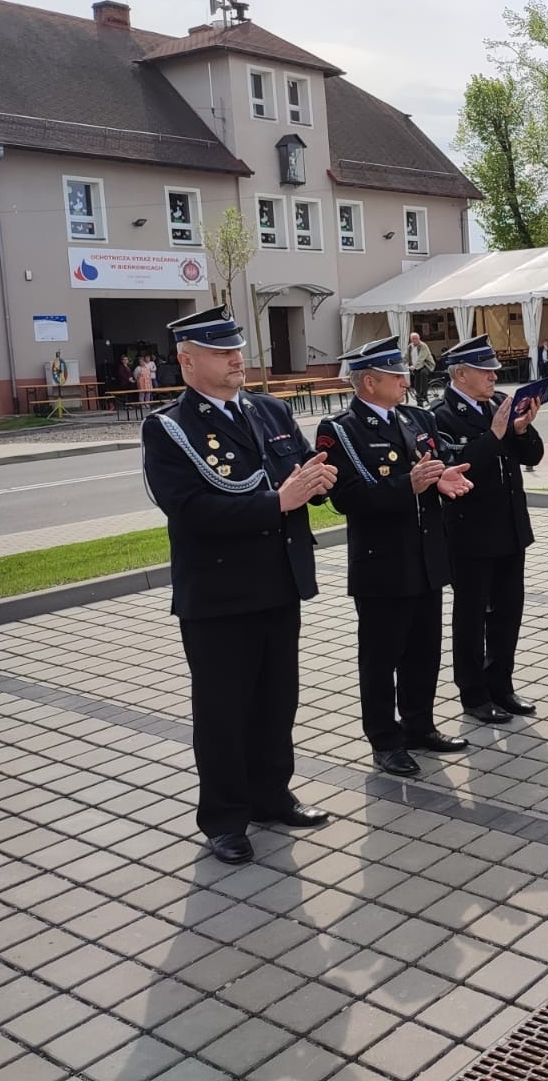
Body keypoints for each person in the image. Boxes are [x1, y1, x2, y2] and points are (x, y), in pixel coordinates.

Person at [142, 305, 336, 865]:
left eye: (237, 347)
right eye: (221, 350)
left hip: (278, 581)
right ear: (186, 360)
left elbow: (304, 475)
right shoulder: (170, 427)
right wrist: (278, 501)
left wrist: (322, 481)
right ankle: (225, 818)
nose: (236, 357)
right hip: (220, 596)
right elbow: (189, 510)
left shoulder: (269, 409)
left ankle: (271, 794)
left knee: (277, 700)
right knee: (223, 710)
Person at [317, 337, 474, 778]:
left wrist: (440, 480)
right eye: (395, 375)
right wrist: (408, 485)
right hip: (382, 562)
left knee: (424, 649)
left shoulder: (416, 417)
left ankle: (420, 724)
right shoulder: (341, 429)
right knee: (382, 654)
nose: (406, 381)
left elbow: (434, 467)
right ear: (369, 382)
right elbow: (345, 498)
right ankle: (384, 739)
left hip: (425, 555)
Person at [434, 335, 545, 724]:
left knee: (508, 611)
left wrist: (520, 430)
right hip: (470, 533)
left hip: (510, 528)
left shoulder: (500, 404)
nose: (493, 377)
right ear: (460, 374)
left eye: (494, 370)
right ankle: (473, 692)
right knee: (470, 616)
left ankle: (502, 683)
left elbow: (532, 455)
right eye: (485, 371)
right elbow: (456, 464)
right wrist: (495, 436)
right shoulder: (440, 415)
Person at [407, 332, 436, 406]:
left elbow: (421, 358)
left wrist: (414, 366)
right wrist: (400, 363)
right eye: (413, 338)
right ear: (411, 340)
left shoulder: (423, 346)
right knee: (417, 384)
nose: (414, 340)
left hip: (426, 365)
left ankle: (424, 395)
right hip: (416, 367)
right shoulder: (410, 347)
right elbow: (405, 356)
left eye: (416, 338)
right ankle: (419, 401)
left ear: (419, 338)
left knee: (423, 374)